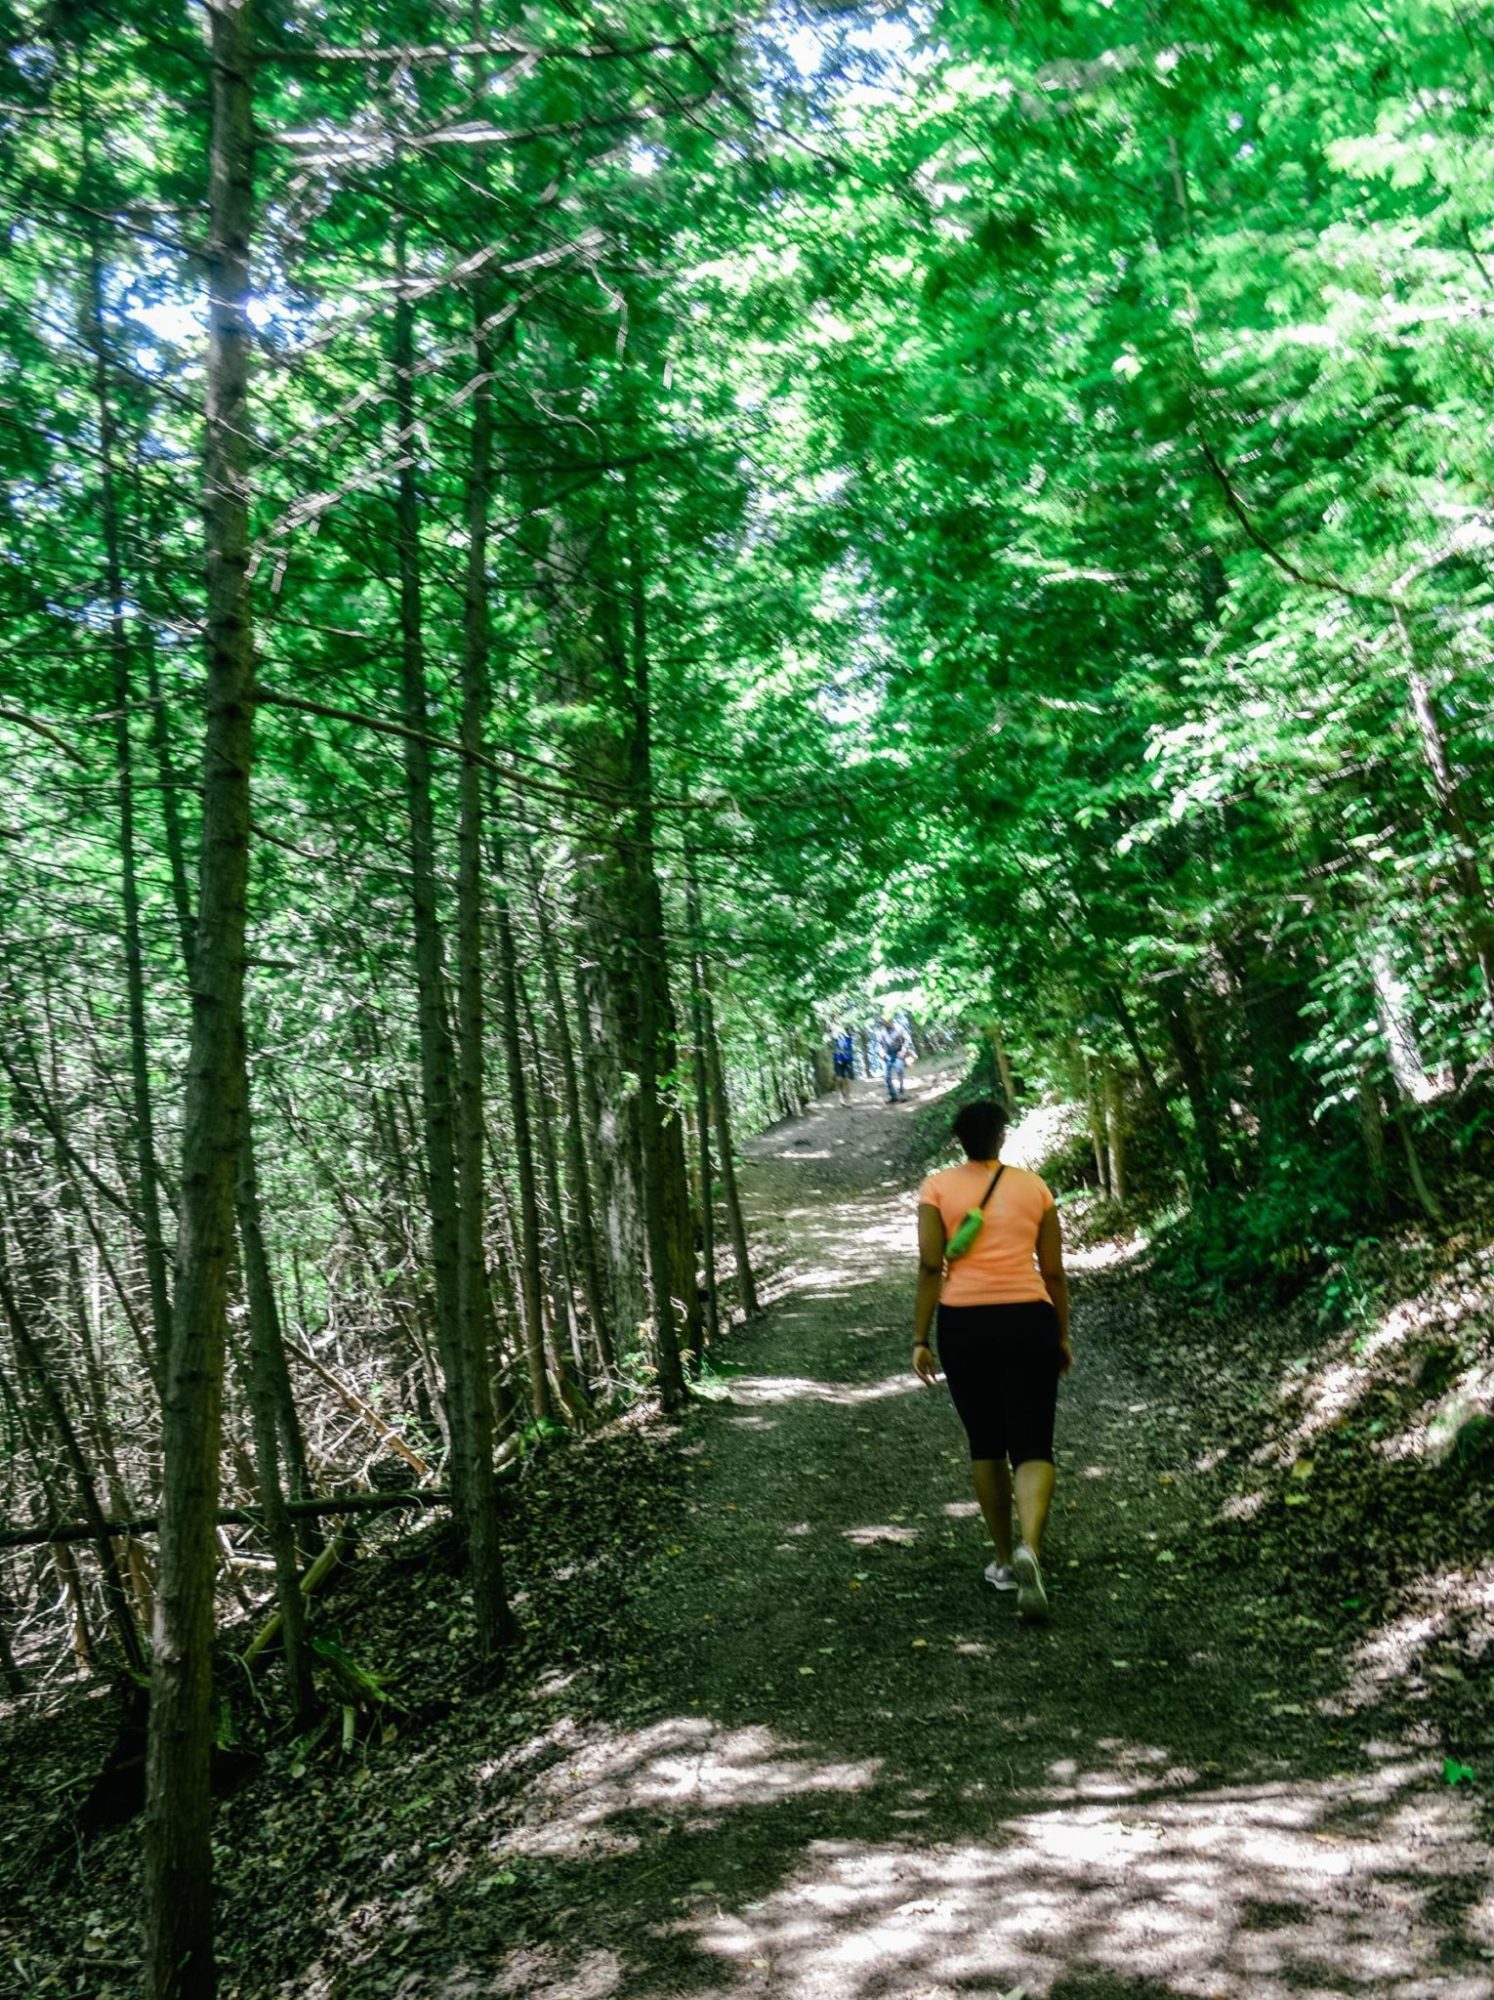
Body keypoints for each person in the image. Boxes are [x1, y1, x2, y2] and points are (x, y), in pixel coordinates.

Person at [911, 1098, 1071, 1622]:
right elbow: (1053, 1272)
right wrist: (1061, 1335)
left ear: (959, 1139)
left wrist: (920, 1337)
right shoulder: (1035, 1187)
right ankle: (1031, 1548)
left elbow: (932, 1264)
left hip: (965, 1325)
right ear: (1001, 1137)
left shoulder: (936, 1188)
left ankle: (1004, 1560)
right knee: (1032, 1442)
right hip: (1030, 1320)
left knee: (986, 1441)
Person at [878, 1015, 912, 1102]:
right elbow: (880, 1044)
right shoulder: (882, 1032)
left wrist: (903, 1051)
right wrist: (881, 1052)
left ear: (890, 1020)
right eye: (883, 1022)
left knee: (900, 1072)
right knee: (887, 1077)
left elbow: (907, 1039)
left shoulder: (899, 1028)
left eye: (886, 1021)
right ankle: (893, 1096)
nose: (885, 1023)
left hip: (898, 1053)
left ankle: (902, 1093)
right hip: (888, 1055)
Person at [832, 1027, 857, 1104]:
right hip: (837, 1059)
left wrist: (848, 1029)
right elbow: (830, 1034)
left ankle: (848, 1099)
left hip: (847, 1059)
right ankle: (841, 1095)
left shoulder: (848, 1036)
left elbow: (853, 1032)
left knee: (847, 1079)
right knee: (839, 1079)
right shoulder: (835, 1036)